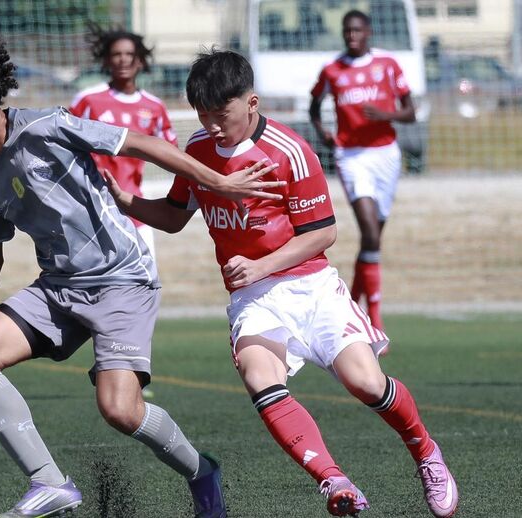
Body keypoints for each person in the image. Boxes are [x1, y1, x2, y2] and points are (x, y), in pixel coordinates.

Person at [0, 31, 283, 518]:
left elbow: (142, 145)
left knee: (120, 411)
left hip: (121, 280)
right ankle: (50, 483)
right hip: (58, 287)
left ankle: (201, 471)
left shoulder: (47, 126)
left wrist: (219, 182)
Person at [105, 49, 457, 518]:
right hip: (254, 299)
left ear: (251, 102)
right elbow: (173, 216)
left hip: (312, 288)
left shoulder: (290, 150)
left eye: (221, 114)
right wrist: (123, 199)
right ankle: (333, 481)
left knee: (367, 383)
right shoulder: (198, 149)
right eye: (203, 115)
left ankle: (426, 452)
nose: (212, 125)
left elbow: (323, 234)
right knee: (260, 378)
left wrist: (261, 265)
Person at [309, 9, 416, 331]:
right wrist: (322, 133)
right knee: (369, 233)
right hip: (351, 155)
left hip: (386, 155)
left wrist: (386, 115)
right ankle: (375, 318)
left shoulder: (387, 64)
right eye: (347, 31)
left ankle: (353, 305)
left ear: (368, 32)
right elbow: (314, 106)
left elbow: (411, 112)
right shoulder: (332, 69)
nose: (352, 36)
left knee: (373, 240)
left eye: (357, 30)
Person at [70, 23, 177, 260]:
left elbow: (173, 154)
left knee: (145, 276)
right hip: (92, 210)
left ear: (140, 61)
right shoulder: (87, 100)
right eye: (116, 54)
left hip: (136, 210)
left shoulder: (154, 107)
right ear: (107, 60)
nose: (123, 59)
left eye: (129, 54)